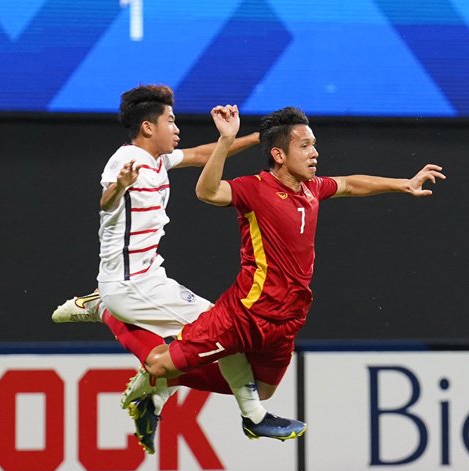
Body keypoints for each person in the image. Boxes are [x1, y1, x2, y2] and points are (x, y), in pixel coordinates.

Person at [123, 105, 445, 414]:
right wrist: (225, 141)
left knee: (261, 390)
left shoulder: (312, 189)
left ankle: (168, 380)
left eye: (314, 145)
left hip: (286, 319)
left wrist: (402, 183)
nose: (314, 153)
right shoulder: (255, 188)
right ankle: (118, 326)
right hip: (245, 313)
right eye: (304, 145)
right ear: (279, 155)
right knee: (159, 362)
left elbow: (349, 183)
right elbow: (207, 192)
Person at [50, 84, 306, 454]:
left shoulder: (159, 160)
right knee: (226, 330)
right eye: (170, 120)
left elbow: (205, 155)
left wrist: (252, 138)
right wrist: (119, 188)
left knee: (214, 334)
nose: (177, 127)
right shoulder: (126, 159)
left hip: (150, 277)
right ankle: (253, 416)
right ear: (148, 128)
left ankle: (145, 380)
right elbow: (105, 205)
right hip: (132, 285)